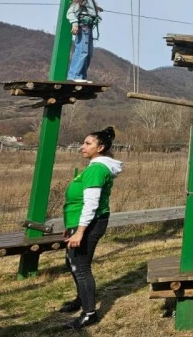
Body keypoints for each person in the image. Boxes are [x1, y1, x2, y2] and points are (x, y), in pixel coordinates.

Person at [60, 127, 123, 330]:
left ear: (101, 147)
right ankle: (81, 299)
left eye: (88, 144)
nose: (82, 147)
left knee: (81, 267)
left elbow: (91, 204)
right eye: (83, 143)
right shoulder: (94, 166)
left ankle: (89, 313)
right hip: (79, 222)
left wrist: (80, 231)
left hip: (89, 223)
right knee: (72, 262)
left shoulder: (96, 169)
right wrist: (71, 226)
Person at [66, 0, 103, 82]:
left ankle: (81, 76)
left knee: (88, 53)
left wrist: (96, 9)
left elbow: (88, 9)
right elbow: (71, 11)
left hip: (89, 27)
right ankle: (74, 76)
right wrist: (75, 24)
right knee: (82, 51)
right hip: (83, 27)